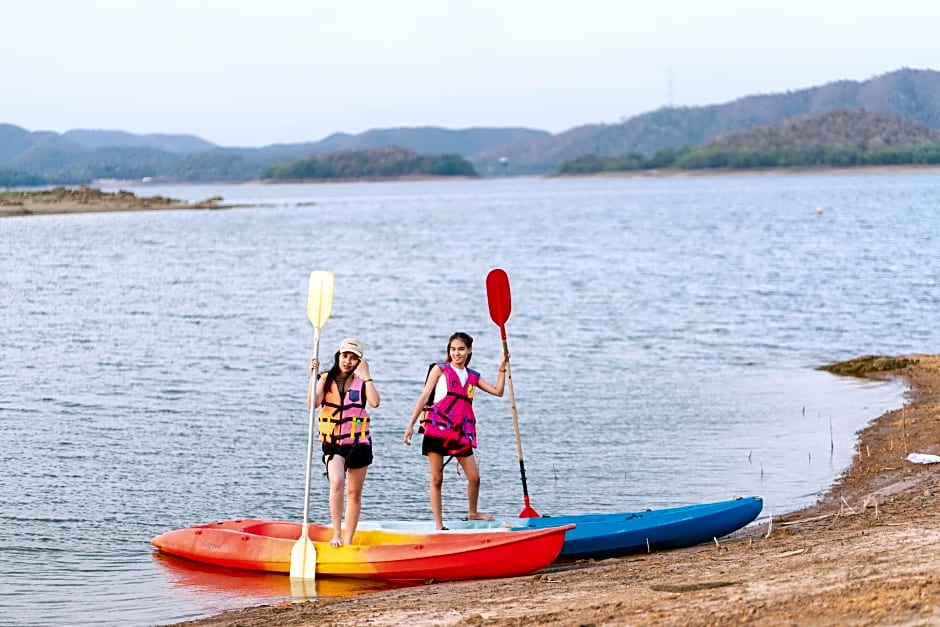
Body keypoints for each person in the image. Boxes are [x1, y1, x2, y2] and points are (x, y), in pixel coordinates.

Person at [403, 332, 507, 530]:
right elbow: (424, 397)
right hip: (436, 431)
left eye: (461, 349)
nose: (456, 353)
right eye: (453, 349)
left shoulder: (472, 376)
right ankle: (439, 525)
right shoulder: (439, 370)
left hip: (460, 434)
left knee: (474, 478)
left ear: (469, 351)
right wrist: (410, 426)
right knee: (436, 478)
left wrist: (502, 368)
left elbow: (498, 392)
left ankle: (473, 512)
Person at [308, 337, 380, 547]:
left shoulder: (362, 382)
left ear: (359, 361)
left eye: (353, 358)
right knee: (337, 481)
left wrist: (367, 376)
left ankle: (348, 539)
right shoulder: (325, 379)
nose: (348, 361)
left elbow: (375, 402)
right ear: (338, 356)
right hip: (334, 443)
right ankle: (336, 534)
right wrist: (312, 377)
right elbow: (312, 403)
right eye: (344, 356)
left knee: (354, 493)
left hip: (359, 444)